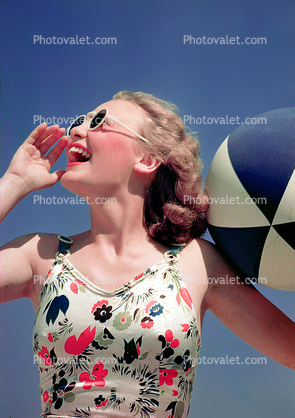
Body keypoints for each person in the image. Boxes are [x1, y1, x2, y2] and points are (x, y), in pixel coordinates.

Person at [0, 91, 294, 418]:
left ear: (147, 159)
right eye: (78, 121)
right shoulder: (40, 256)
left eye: (98, 122)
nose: (77, 130)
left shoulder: (196, 262)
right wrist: (13, 182)